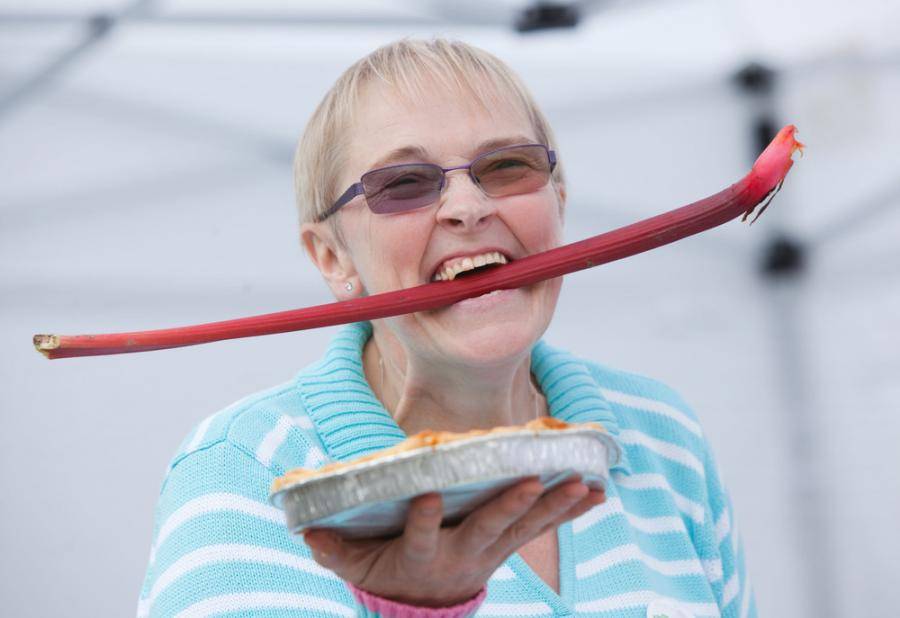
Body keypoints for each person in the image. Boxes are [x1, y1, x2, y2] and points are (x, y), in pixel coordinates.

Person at [138, 39, 755, 618]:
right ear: (333, 258)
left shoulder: (660, 432)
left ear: (559, 202)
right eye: (404, 184)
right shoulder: (250, 471)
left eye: (508, 165)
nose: (468, 207)